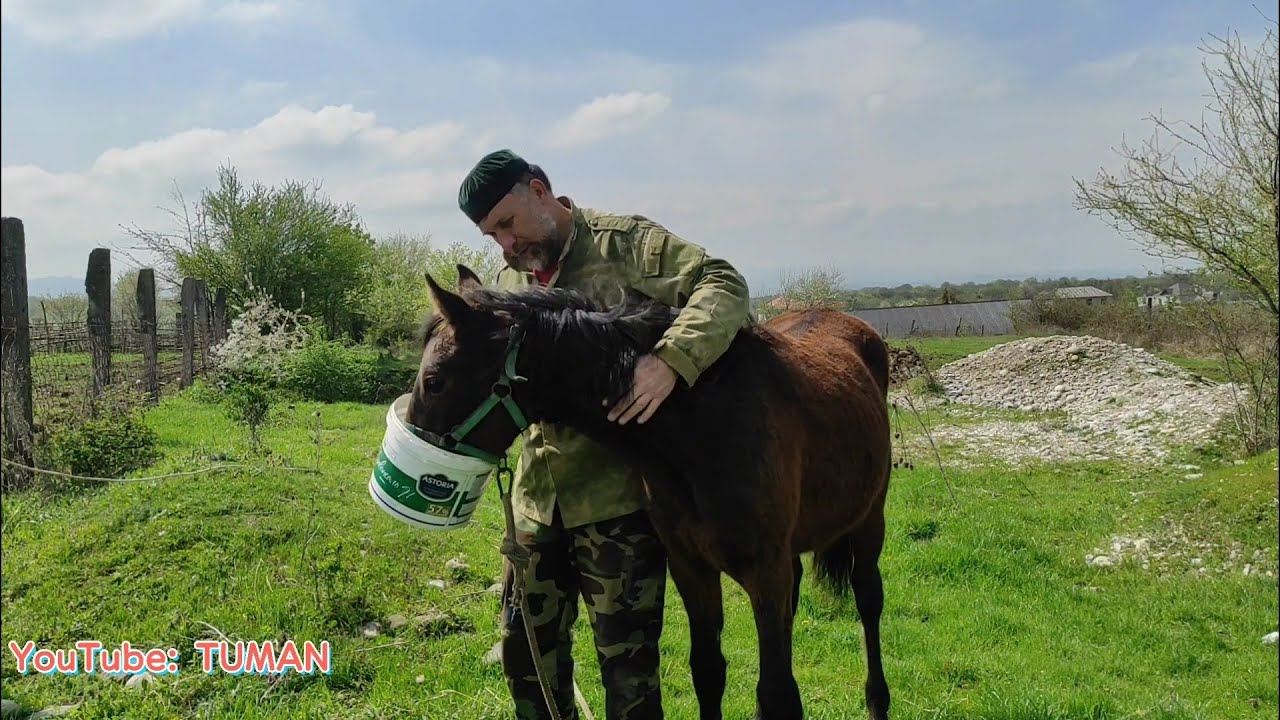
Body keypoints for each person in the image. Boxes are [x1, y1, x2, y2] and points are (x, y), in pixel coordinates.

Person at [455, 149, 753, 720]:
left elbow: (723, 282)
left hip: (620, 501)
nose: (505, 246)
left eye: (507, 224)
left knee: (628, 668)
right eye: (491, 235)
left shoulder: (624, 244)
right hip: (536, 502)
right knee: (528, 661)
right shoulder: (509, 281)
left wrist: (670, 360)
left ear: (539, 191)